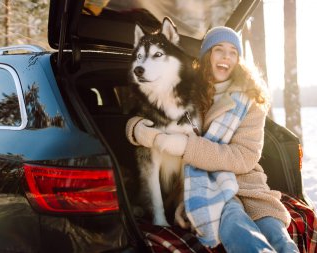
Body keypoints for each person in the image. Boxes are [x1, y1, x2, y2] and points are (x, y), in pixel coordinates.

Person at [126, 26, 299, 253]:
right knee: (235, 224)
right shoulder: (193, 91)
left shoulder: (251, 100)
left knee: (277, 236)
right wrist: (135, 128)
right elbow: (157, 108)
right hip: (208, 183)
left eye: (233, 52)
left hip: (246, 182)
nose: (226, 56)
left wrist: (187, 147)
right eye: (219, 49)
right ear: (207, 55)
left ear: (238, 60)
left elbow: (244, 157)